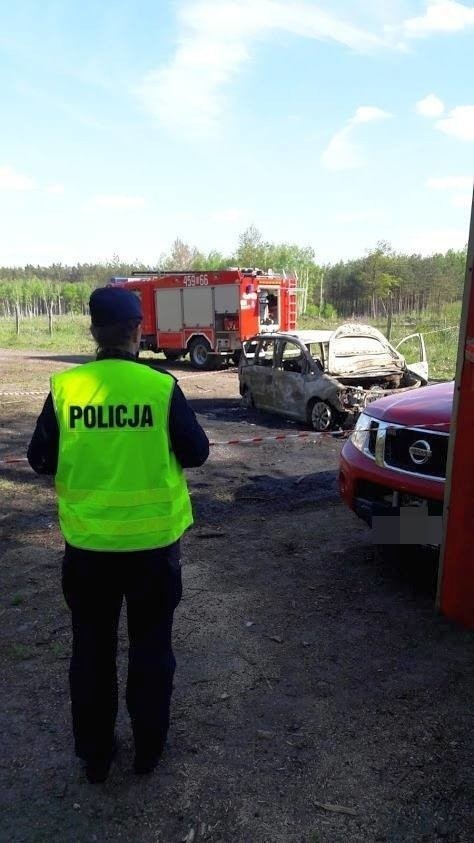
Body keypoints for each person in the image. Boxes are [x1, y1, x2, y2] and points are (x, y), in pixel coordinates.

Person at [27, 286, 209, 783]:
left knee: (91, 650)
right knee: (151, 649)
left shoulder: (67, 389)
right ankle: (149, 751)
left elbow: (39, 460)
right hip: (153, 550)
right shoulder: (159, 387)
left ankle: (96, 756)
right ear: (136, 331)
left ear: (92, 332)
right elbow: (196, 453)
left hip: (88, 550)